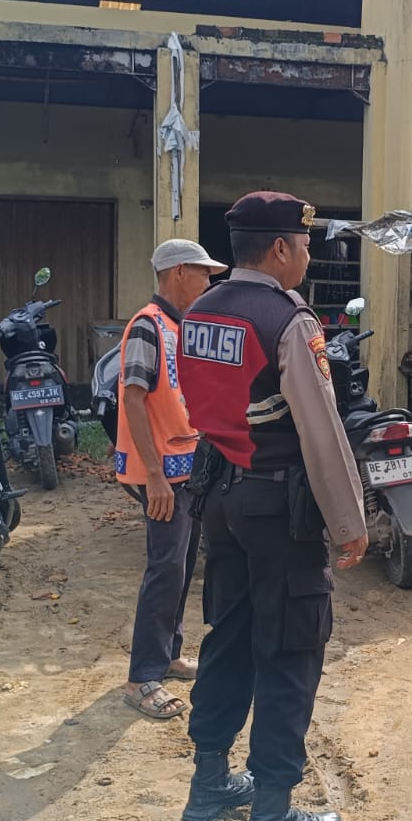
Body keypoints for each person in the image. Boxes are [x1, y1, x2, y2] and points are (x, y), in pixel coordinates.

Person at [177, 190, 368, 821]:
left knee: (227, 638)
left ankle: (208, 785)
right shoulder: (287, 318)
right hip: (276, 506)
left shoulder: (199, 311)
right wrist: (348, 520)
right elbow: (320, 428)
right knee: (289, 650)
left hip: (221, 495)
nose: (308, 257)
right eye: (306, 245)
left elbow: (200, 402)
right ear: (282, 248)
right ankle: (272, 815)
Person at [116, 239, 231, 720]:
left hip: (188, 469)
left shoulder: (178, 326)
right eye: (203, 273)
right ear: (179, 272)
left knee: (180, 566)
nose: (208, 281)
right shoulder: (148, 325)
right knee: (165, 569)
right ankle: (142, 678)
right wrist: (155, 477)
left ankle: (169, 655)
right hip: (162, 473)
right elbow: (133, 398)